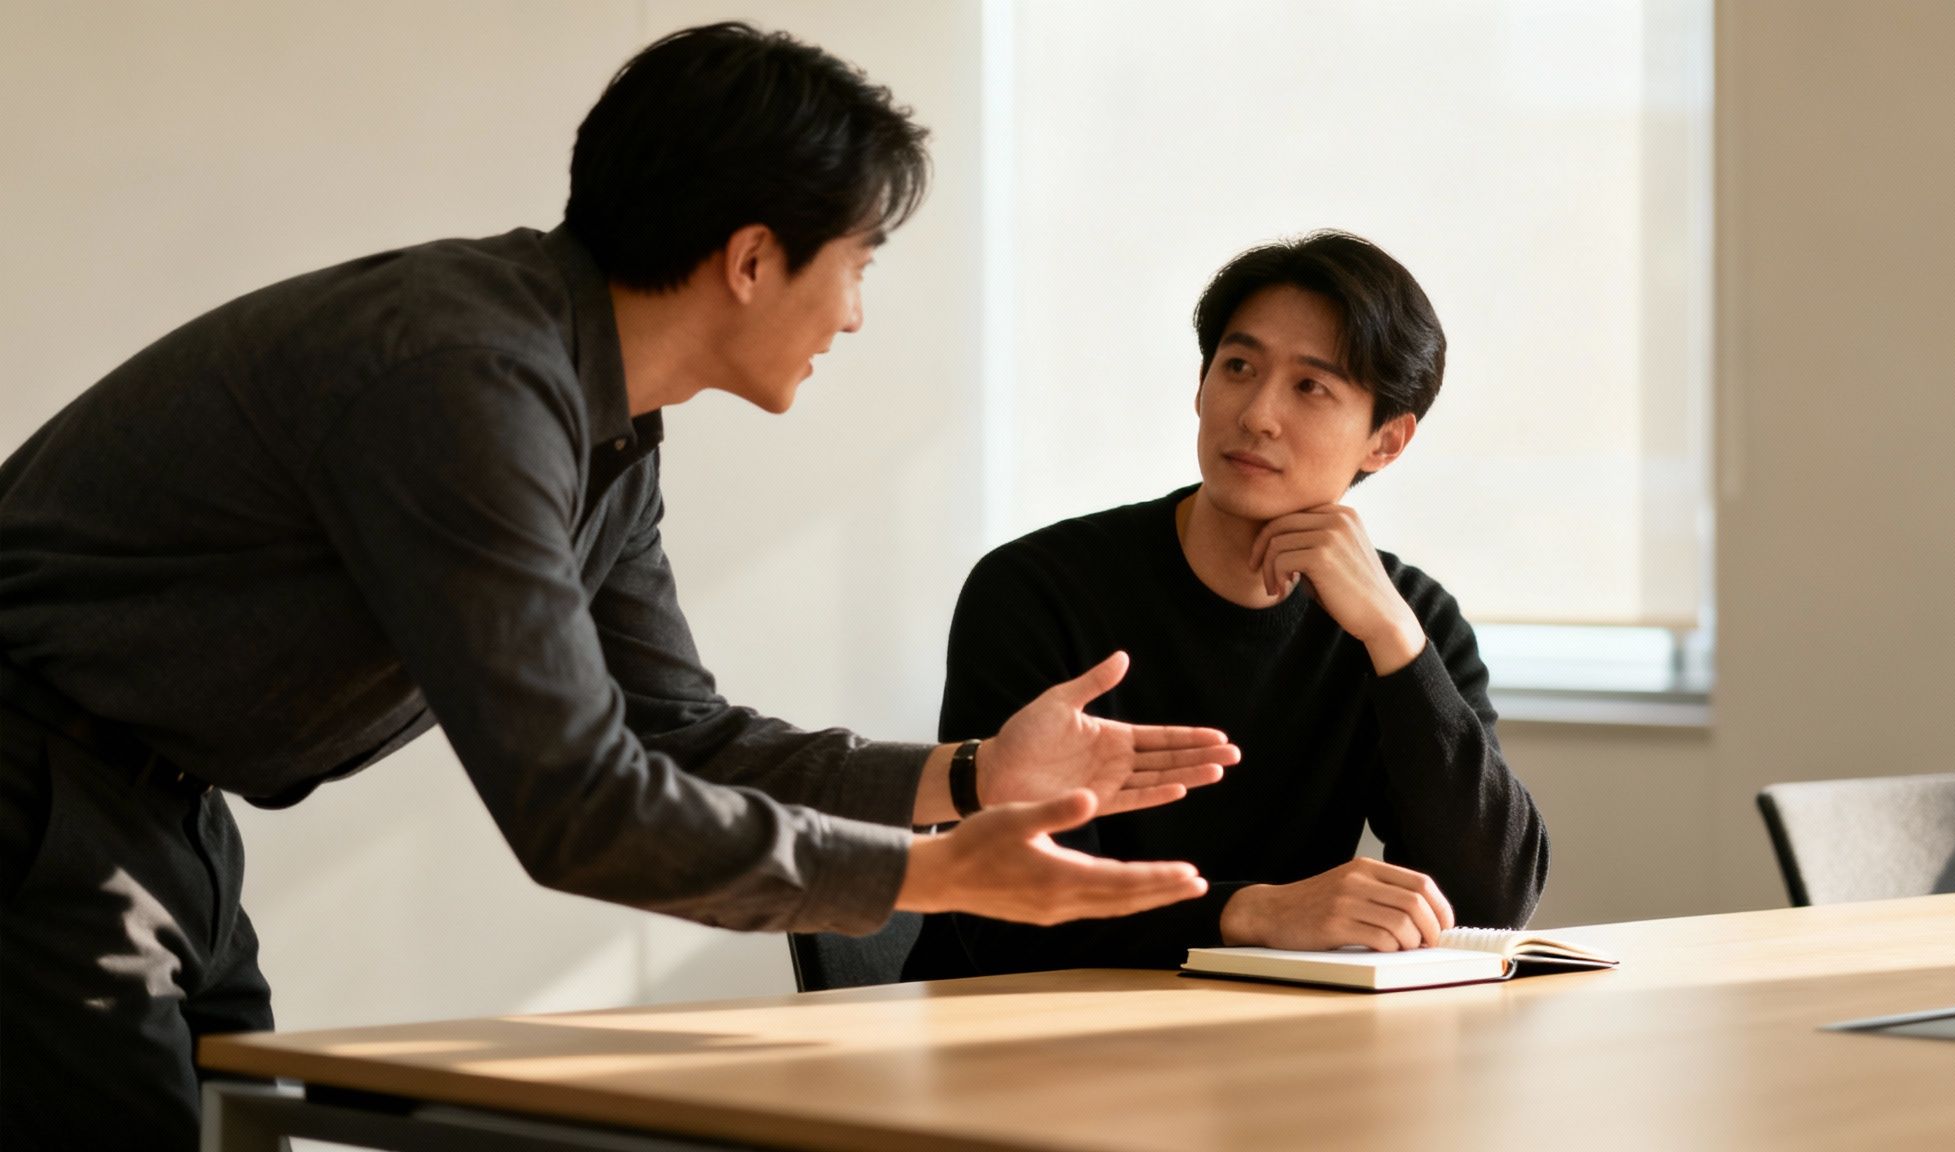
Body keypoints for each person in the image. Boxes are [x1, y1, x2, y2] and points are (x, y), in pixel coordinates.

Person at [0, 24, 1238, 1149]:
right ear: (752, 258)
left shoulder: (602, 427)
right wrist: (927, 874)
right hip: (41, 787)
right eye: (857, 263)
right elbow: (577, 806)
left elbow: (677, 735)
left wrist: (964, 780)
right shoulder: (466, 382)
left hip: (160, 816)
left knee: (244, 1122)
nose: (855, 316)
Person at [902, 231, 1548, 980]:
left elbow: (1490, 896)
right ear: (1202, 386)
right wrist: (1253, 913)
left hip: (1264, 1044)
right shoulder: (1036, 590)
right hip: (1020, 1042)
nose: (1258, 414)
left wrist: (1395, 642)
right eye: (1238, 367)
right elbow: (1008, 913)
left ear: (1387, 441)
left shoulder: (1407, 619)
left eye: (1311, 387)